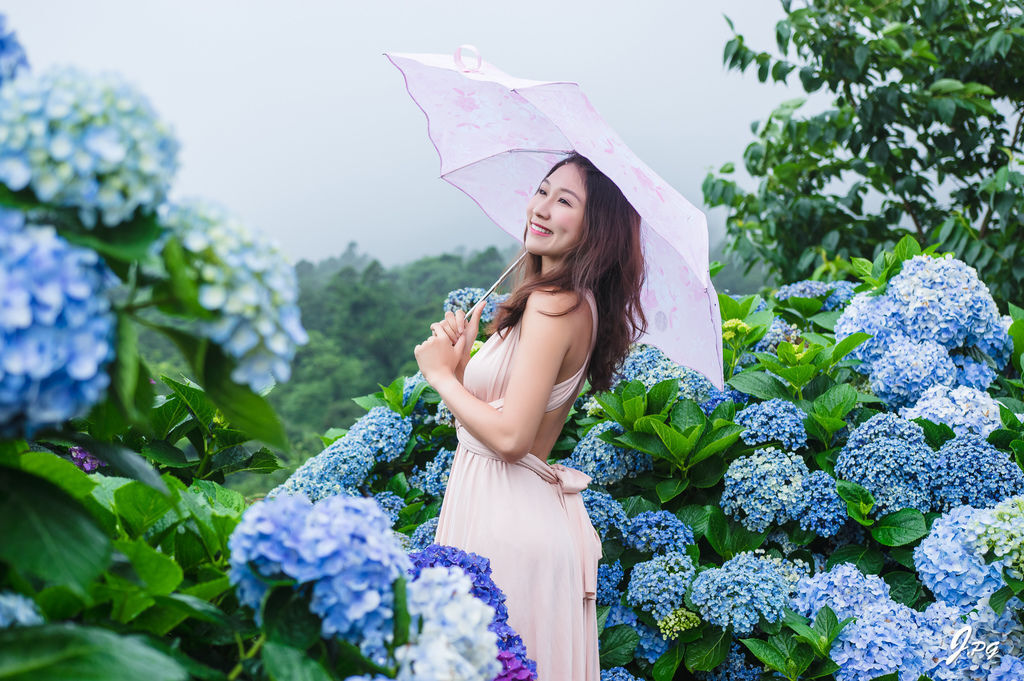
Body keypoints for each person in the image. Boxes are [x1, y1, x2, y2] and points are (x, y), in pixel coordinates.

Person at [413, 152, 646, 681]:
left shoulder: (553, 305)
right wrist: (465, 360)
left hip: (505, 519)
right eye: (542, 191)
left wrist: (441, 377)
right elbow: (512, 418)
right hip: (511, 508)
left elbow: (514, 438)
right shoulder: (573, 303)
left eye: (564, 201)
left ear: (596, 228)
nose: (541, 208)